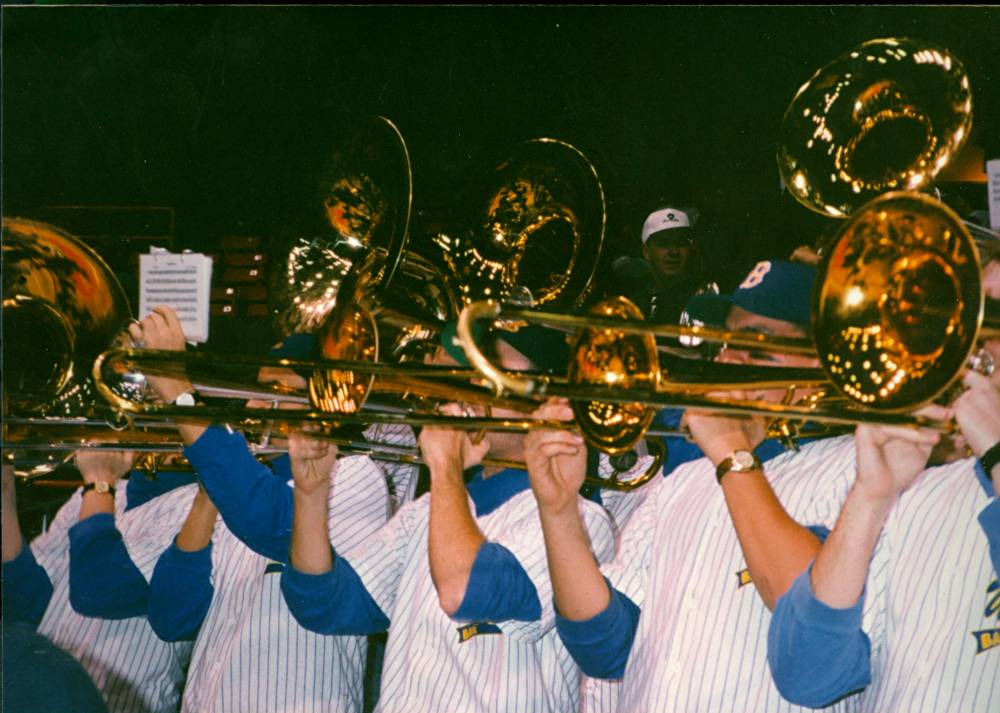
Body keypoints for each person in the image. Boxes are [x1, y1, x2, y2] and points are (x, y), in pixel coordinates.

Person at [525, 259, 867, 712]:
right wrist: (559, 511)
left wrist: (732, 454)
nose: (726, 363)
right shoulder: (684, 480)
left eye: (757, 349)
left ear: (826, 363)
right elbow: (605, 647)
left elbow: (813, 630)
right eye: (727, 343)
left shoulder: (858, 470)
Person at [279, 328, 617, 713]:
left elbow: (463, 591)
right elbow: (325, 605)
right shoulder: (430, 509)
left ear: (550, 403)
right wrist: (311, 494)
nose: (471, 389)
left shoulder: (582, 522)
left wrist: (445, 467)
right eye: (474, 375)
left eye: (496, 375)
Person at [131, 309, 406, 713]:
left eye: (278, 387)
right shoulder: (239, 484)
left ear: (325, 400)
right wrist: (207, 498)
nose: (257, 402)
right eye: (258, 388)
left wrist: (177, 389)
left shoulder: (357, 475)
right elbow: (173, 618)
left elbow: (271, 522)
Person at [767, 263, 1000, 712]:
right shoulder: (921, 497)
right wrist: (870, 497)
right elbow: (806, 675)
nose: (978, 337)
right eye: (979, 310)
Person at [1, 453, 199, 713]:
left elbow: (99, 592)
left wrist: (98, 481)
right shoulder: (104, 490)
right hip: (43, 694)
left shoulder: (204, 507)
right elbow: (32, 605)